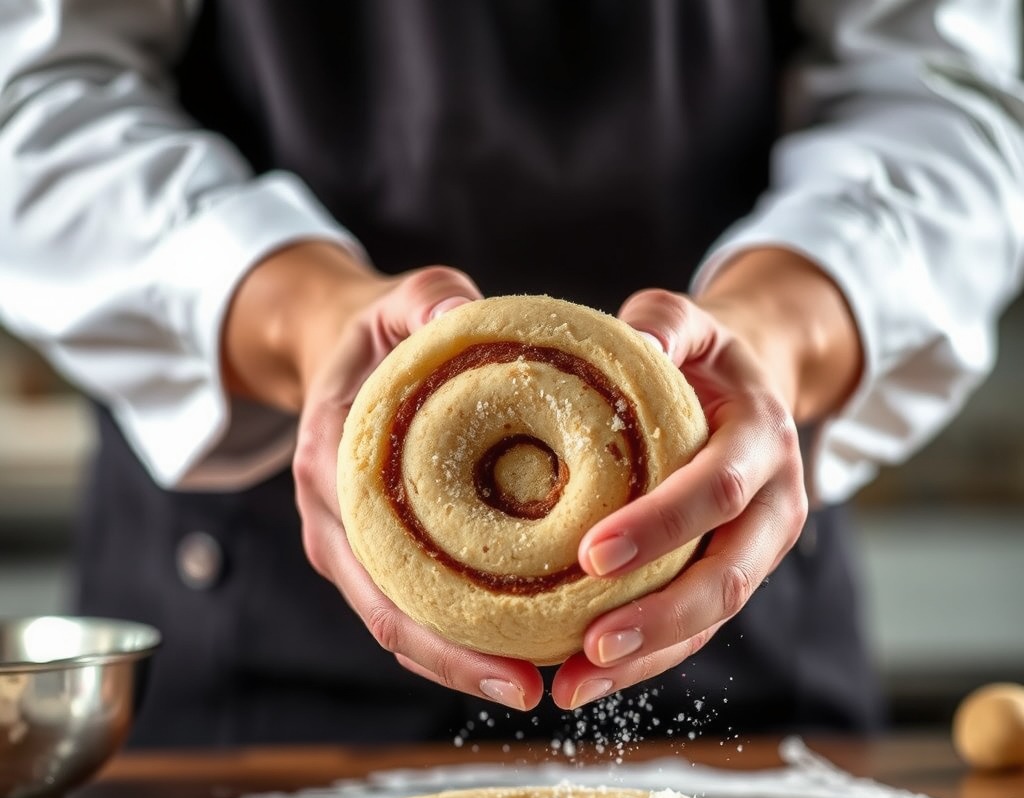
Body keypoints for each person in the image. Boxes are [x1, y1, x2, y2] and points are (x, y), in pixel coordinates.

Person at [0, 1, 1022, 748]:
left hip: (736, 656)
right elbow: (34, 92)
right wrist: (303, 316)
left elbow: (947, 98)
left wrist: (772, 334)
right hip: (241, 678)